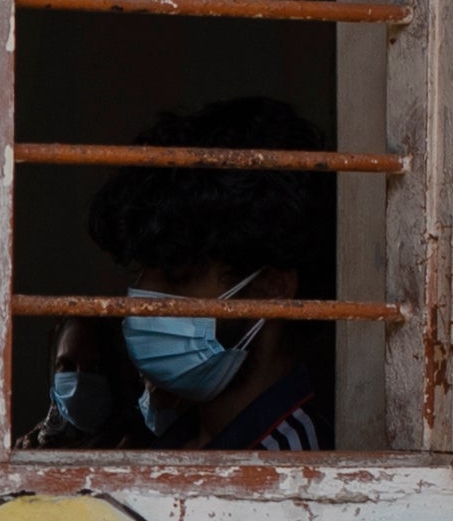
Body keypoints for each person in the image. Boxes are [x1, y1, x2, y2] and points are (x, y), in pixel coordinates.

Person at [52, 95, 337, 455]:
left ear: (270, 289)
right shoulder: (173, 440)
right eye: (140, 270)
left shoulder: (297, 473)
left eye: (178, 277)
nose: (141, 300)